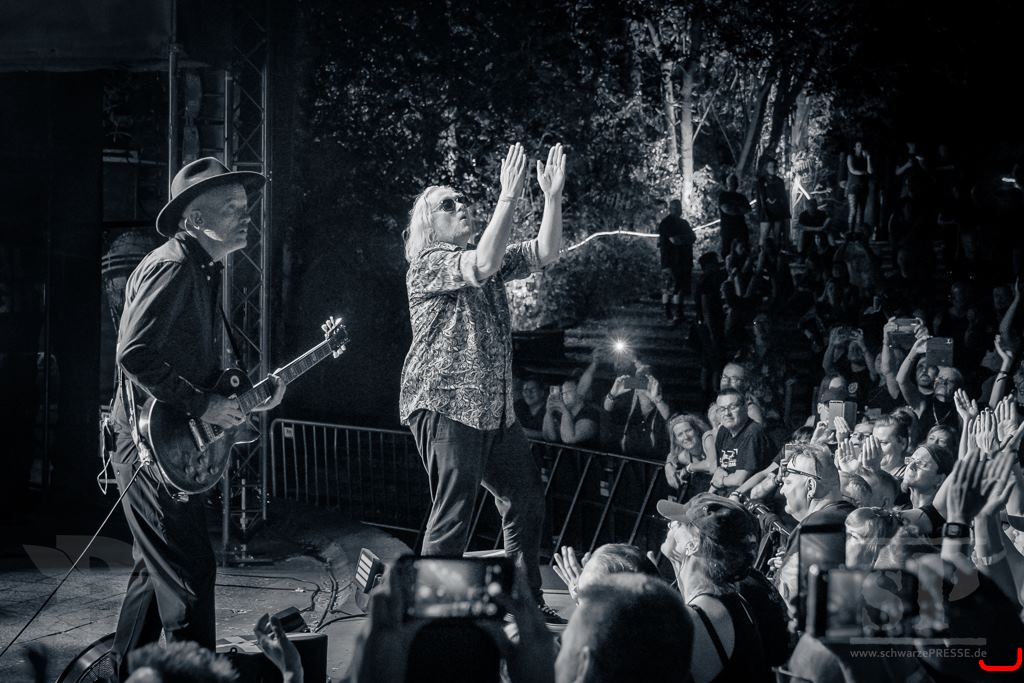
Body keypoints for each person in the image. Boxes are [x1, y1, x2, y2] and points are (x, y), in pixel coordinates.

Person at [107, 157, 287, 678]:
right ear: (196, 220)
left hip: (161, 446)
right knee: (189, 578)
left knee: (153, 577)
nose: (245, 215)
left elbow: (186, 369)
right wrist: (204, 405)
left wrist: (245, 399)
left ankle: (126, 674)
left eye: (245, 206)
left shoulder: (198, 268)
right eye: (231, 207)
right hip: (148, 451)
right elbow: (134, 354)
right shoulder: (173, 266)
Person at [398, 142, 567, 623]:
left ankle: (523, 602)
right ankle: (432, 616)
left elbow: (545, 251)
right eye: (447, 204)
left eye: (463, 200)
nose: (461, 207)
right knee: (454, 511)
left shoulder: (484, 258)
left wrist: (552, 197)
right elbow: (483, 264)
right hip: (446, 403)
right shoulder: (429, 263)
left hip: (494, 411)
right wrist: (508, 196)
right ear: (429, 224)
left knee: (526, 499)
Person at [657, 494, 775, 683]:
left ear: (693, 545)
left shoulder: (699, 618)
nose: (670, 524)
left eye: (679, 523)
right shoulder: (732, 598)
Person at [709, 388, 771, 494]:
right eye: (722, 409)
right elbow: (719, 469)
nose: (727, 413)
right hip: (724, 492)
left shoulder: (752, 432)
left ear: (745, 408)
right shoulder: (723, 430)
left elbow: (739, 479)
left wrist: (720, 481)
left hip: (747, 495)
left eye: (732, 407)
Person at [657, 198, 696, 325]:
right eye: (676, 208)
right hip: (670, 260)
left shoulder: (684, 223)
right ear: (671, 209)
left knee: (680, 288)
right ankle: (668, 313)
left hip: (683, 260)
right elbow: (674, 240)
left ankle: (678, 314)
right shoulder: (666, 223)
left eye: (679, 208)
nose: (679, 210)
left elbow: (693, 237)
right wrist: (685, 239)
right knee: (669, 287)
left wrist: (683, 239)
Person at [543, 376, 600, 446]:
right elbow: (549, 437)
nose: (564, 396)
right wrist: (549, 412)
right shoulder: (563, 413)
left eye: (568, 392)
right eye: (563, 393)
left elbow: (569, 439)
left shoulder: (590, 413)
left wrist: (564, 411)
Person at [755, 157, 791, 251]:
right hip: (766, 212)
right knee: (764, 235)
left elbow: (783, 197)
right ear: (766, 168)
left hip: (777, 211)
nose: (773, 169)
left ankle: (776, 255)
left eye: (775, 167)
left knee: (777, 235)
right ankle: (761, 254)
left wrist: (786, 212)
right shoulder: (761, 181)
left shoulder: (779, 181)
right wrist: (763, 211)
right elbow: (760, 198)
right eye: (770, 167)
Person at [717, 173, 750, 258]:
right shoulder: (723, 196)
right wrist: (739, 209)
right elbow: (727, 209)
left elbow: (747, 209)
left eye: (735, 181)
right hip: (727, 228)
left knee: (743, 250)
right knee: (727, 251)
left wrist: (734, 209)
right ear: (727, 183)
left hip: (741, 228)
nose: (734, 184)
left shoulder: (741, 197)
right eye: (731, 182)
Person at [844, 140, 873, 230]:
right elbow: (852, 169)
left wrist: (868, 158)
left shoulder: (865, 159)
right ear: (854, 148)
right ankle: (850, 231)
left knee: (861, 211)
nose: (861, 148)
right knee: (853, 210)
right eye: (858, 146)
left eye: (861, 146)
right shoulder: (850, 157)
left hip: (863, 187)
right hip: (853, 187)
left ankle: (858, 232)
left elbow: (870, 171)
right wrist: (863, 173)